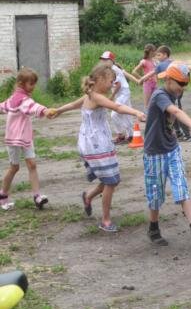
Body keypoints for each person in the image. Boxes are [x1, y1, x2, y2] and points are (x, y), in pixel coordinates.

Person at [49, 64, 146, 232]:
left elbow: (72, 105)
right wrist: (136, 112)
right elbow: (117, 107)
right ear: (100, 79)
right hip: (95, 144)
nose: (112, 84)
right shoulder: (96, 97)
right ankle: (105, 220)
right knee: (111, 180)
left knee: (110, 179)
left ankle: (88, 196)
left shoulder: (90, 95)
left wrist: (58, 110)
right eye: (110, 81)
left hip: (96, 143)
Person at [142, 62, 191, 246]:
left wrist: (175, 133)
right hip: (155, 153)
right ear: (168, 79)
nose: (183, 88)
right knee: (155, 194)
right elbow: (174, 111)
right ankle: (153, 228)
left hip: (172, 149)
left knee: (181, 185)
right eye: (180, 83)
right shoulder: (159, 95)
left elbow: (172, 117)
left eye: (185, 84)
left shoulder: (173, 93)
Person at [0, 69, 52, 211]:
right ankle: (3, 195)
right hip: (14, 138)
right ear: (21, 84)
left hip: (25, 137)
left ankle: (37, 196)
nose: (33, 86)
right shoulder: (21, 99)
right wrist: (44, 110)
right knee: (14, 167)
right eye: (31, 83)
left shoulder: (19, 98)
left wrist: (43, 110)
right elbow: (31, 107)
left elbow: (4, 106)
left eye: (34, 83)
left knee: (32, 164)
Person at [99, 51, 139, 145]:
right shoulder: (111, 69)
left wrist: (112, 96)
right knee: (126, 114)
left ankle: (121, 135)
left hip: (123, 94)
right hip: (124, 93)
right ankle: (130, 136)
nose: (103, 61)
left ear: (111, 60)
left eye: (106, 60)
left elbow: (118, 84)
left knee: (114, 114)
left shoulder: (114, 69)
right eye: (103, 59)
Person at [131, 43, 157, 108]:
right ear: (151, 52)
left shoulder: (154, 61)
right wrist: (142, 79)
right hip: (148, 84)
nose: (156, 52)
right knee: (147, 105)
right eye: (154, 51)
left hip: (154, 83)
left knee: (155, 102)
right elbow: (134, 71)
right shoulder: (144, 61)